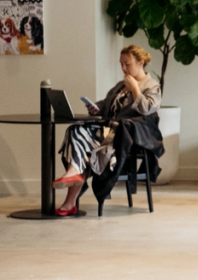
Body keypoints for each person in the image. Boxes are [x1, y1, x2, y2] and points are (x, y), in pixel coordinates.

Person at [52, 45, 162, 216]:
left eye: (127, 64)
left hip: (125, 136)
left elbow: (148, 109)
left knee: (81, 143)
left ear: (140, 62)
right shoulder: (121, 84)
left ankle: (70, 197)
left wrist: (135, 89)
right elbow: (107, 105)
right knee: (75, 131)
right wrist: (96, 108)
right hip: (106, 130)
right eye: (121, 64)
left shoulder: (152, 85)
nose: (123, 68)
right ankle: (72, 177)